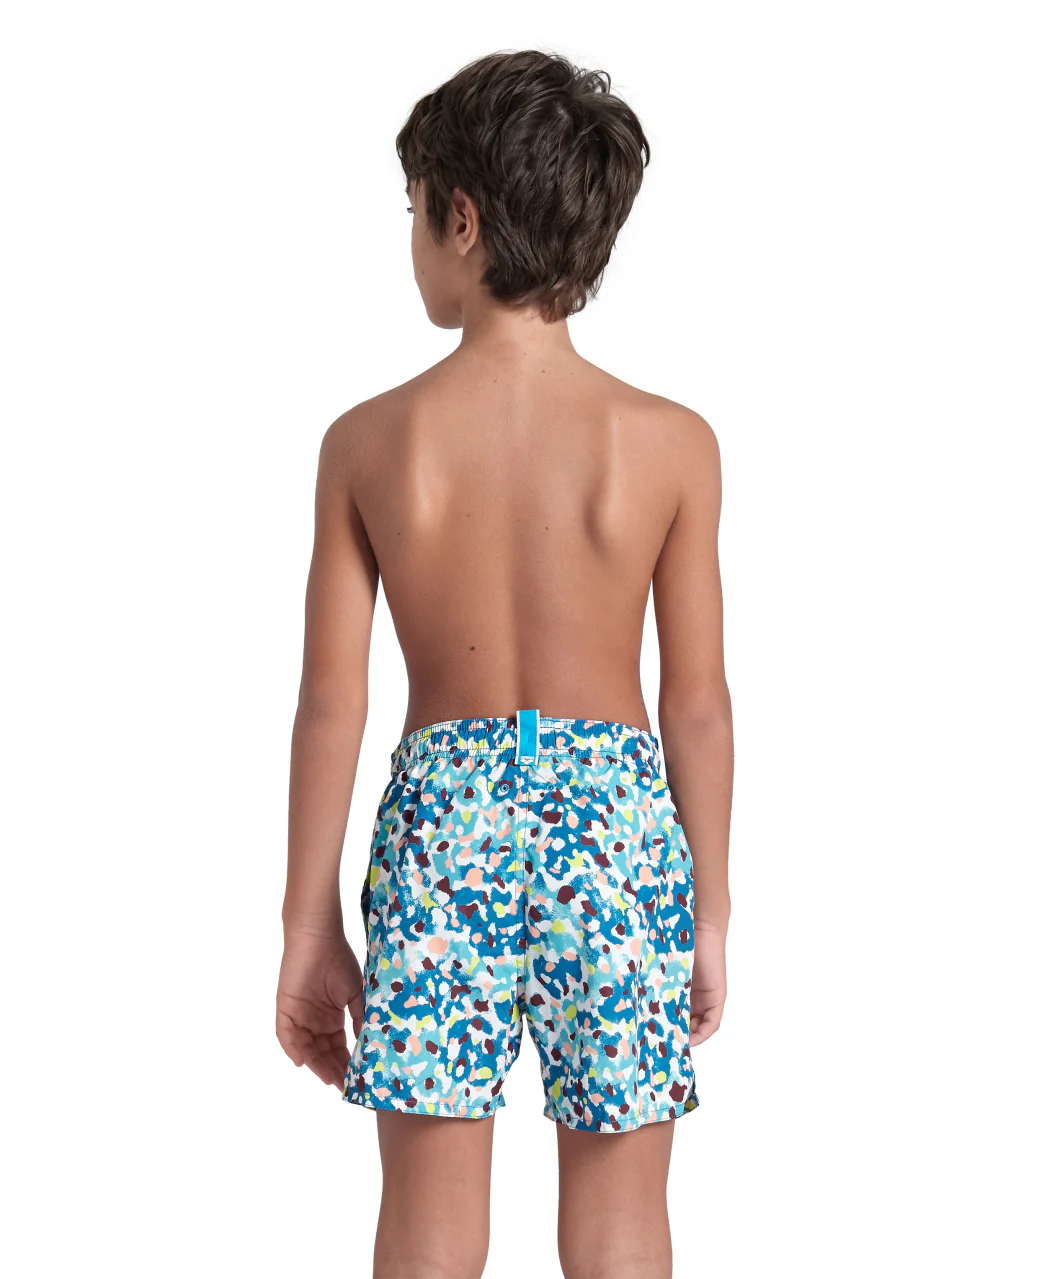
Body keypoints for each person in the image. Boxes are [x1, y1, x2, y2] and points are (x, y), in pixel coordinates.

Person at [276, 49, 733, 1279]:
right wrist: (710, 907)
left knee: (427, 1225)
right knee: (622, 1217)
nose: (412, 240)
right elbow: (696, 704)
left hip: (445, 817)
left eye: (413, 209)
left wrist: (307, 921)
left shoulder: (370, 443)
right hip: (617, 828)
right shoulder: (670, 444)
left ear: (462, 218)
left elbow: (331, 701)